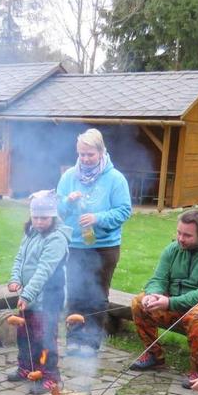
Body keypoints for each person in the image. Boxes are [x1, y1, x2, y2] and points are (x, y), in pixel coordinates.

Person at [129, 211, 198, 385]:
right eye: (179, 233)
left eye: (187, 235)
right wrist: (152, 295)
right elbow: (158, 279)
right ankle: (154, 356)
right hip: (178, 302)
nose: (180, 238)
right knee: (139, 302)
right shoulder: (173, 249)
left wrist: (170, 302)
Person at [56, 128, 132, 356]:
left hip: (104, 247)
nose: (86, 159)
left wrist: (98, 218)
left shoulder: (115, 178)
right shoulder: (69, 176)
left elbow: (124, 210)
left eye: (90, 154)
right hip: (75, 245)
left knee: (97, 296)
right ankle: (74, 339)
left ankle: (90, 342)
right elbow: (56, 209)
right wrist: (68, 202)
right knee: (76, 293)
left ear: (101, 152)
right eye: (82, 154)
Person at [7, 191, 71, 391]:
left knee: (45, 336)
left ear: (52, 217)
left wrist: (26, 294)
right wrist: (16, 279)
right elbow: (20, 258)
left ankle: (50, 375)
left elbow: (44, 270)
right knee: (25, 333)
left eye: (44, 218)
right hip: (30, 296)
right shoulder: (31, 233)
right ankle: (27, 367)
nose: (39, 221)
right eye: (35, 217)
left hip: (49, 296)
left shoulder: (57, 238)